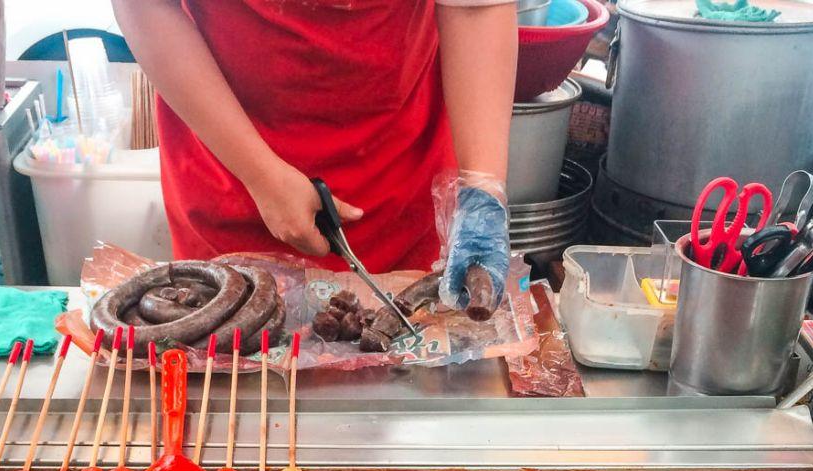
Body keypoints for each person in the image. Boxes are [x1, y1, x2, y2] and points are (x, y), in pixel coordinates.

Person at [112, 0, 517, 311]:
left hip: (399, 175)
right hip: (230, 166)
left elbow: (475, 10)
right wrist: (260, 174)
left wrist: (482, 187)